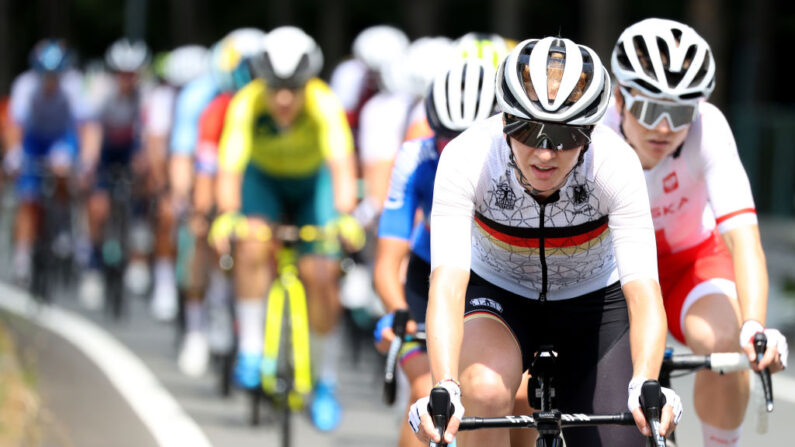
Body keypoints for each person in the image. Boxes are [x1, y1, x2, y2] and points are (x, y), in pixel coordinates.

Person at [408, 37, 682, 447]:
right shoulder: (467, 158)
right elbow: (447, 283)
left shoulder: (615, 162)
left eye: (564, 135)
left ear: (589, 132)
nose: (545, 153)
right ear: (504, 121)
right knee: (481, 390)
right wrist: (444, 384)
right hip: (499, 293)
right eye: (528, 130)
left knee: (625, 437)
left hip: (594, 302)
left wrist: (645, 379)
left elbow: (643, 290)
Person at [605, 18, 788, 447]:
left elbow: (744, 240)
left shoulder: (710, 128)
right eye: (651, 109)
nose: (665, 127)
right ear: (619, 100)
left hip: (690, 261)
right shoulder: (595, 132)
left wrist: (754, 326)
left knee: (725, 342)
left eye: (681, 111)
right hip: (614, 270)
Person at [209, 26, 358, 431]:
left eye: (295, 88)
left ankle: (325, 382)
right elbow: (230, 167)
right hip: (265, 183)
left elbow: (342, 165)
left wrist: (345, 214)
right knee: (251, 244)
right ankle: (253, 351)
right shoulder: (246, 103)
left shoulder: (323, 102)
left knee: (323, 274)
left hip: (313, 186)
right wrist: (227, 213)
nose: (286, 98)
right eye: (276, 88)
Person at [374, 58, 497, 447]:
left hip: (492, 280)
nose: (455, 152)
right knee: (426, 394)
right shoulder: (415, 157)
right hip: (427, 280)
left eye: (468, 138)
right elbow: (387, 263)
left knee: (518, 399)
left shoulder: (514, 162)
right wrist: (398, 310)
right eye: (446, 139)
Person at [177, 27, 267, 378]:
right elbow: (205, 169)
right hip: (223, 182)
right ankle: (199, 329)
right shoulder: (215, 108)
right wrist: (203, 210)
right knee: (200, 232)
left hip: (261, 187)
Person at [8, 39, 98, 286]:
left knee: (62, 171)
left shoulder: (73, 85)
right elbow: (15, 125)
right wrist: (14, 152)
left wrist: (87, 159)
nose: (50, 80)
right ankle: (23, 253)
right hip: (33, 140)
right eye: (45, 74)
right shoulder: (25, 85)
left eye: (55, 75)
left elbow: (86, 126)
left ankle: (60, 224)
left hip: (60, 139)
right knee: (28, 197)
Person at [79, 38, 150, 310]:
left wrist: (144, 163)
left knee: (144, 182)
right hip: (105, 151)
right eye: (123, 73)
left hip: (130, 148)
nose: (128, 79)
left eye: (132, 74)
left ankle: (138, 255)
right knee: (98, 208)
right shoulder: (101, 92)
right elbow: (92, 134)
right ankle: (93, 267)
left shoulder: (146, 94)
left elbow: (149, 135)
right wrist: (89, 164)